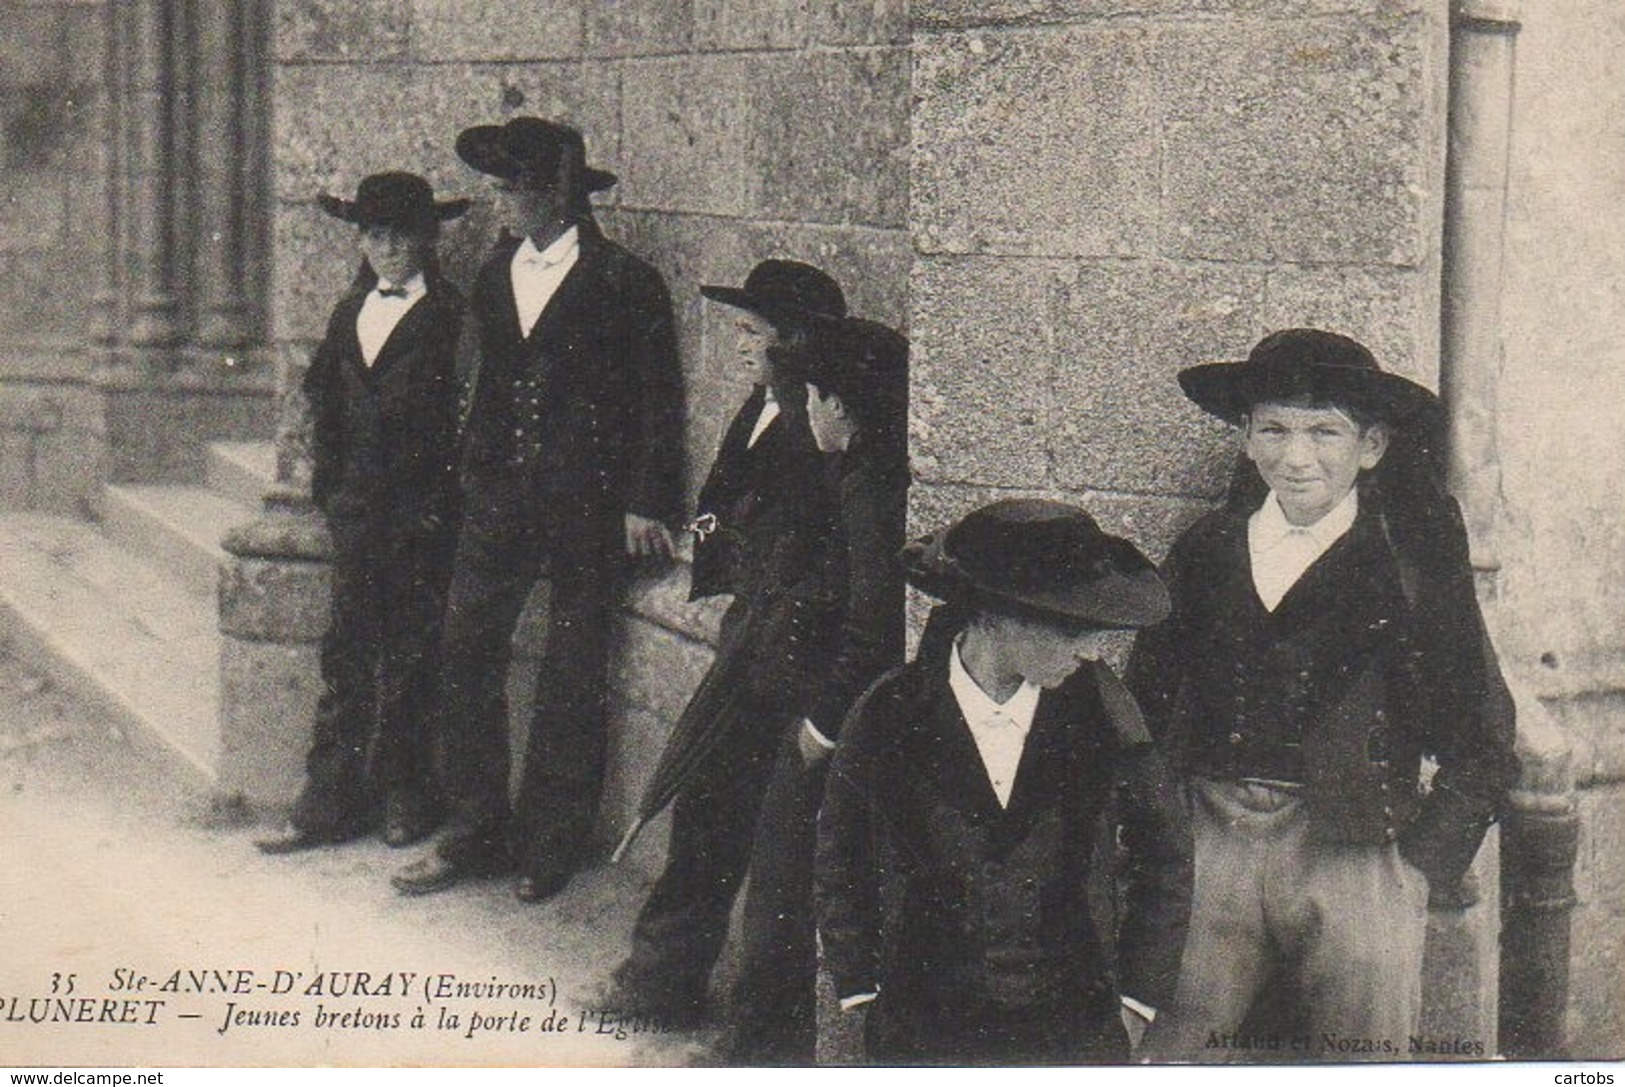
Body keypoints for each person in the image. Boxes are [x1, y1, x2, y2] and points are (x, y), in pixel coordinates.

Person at [1127, 328, 1519, 1061]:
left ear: (1370, 447)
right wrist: (1159, 834)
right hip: (1213, 840)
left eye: (1323, 431)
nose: (1295, 455)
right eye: (1272, 428)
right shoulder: (1205, 550)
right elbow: (1140, 705)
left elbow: (1485, 733)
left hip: (1357, 849)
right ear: (1244, 438)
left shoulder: (1408, 564)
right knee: (1169, 1047)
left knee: (1362, 1056)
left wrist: (1413, 869)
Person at [391, 117, 684, 902]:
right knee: (465, 645)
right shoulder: (495, 273)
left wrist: (646, 501)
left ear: (555, 192)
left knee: (572, 665)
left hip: (587, 506)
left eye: (510, 188)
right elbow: (486, 381)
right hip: (499, 497)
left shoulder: (624, 280)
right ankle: (474, 827)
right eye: (494, 188)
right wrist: (473, 474)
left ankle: (550, 838)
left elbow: (659, 400)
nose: (498, 203)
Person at [816, 499, 1192, 1065]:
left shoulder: (1106, 713)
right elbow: (840, 852)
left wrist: (1137, 1000)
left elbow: (1166, 852)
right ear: (992, 613)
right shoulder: (888, 712)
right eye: (1070, 627)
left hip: (1072, 1036)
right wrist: (860, 989)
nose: (1092, 649)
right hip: (925, 1037)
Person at [602, 260, 852, 1029]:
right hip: (746, 640)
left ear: (796, 344)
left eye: (754, 333)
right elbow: (713, 501)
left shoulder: (827, 429)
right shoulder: (762, 406)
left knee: (774, 849)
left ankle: (759, 1027)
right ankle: (659, 982)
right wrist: (716, 569)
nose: (741, 345)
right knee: (705, 809)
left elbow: (832, 553)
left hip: (793, 663)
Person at [257, 172, 469, 856]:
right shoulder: (350, 313)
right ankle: (329, 798)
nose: (390, 249)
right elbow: (327, 401)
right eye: (376, 235)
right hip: (357, 515)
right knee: (346, 654)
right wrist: (333, 490)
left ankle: (406, 792)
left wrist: (438, 507)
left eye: (403, 235)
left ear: (427, 239)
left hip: (420, 520)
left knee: (410, 654)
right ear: (362, 240)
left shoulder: (451, 316)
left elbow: (469, 420)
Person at [728, 310, 911, 1063]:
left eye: (811, 399)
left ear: (838, 406)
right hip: (832, 703)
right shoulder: (859, 470)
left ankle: (760, 1053)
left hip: (837, 717)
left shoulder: (866, 485)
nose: (807, 413)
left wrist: (820, 725)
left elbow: (872, 623)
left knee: (778, 883)